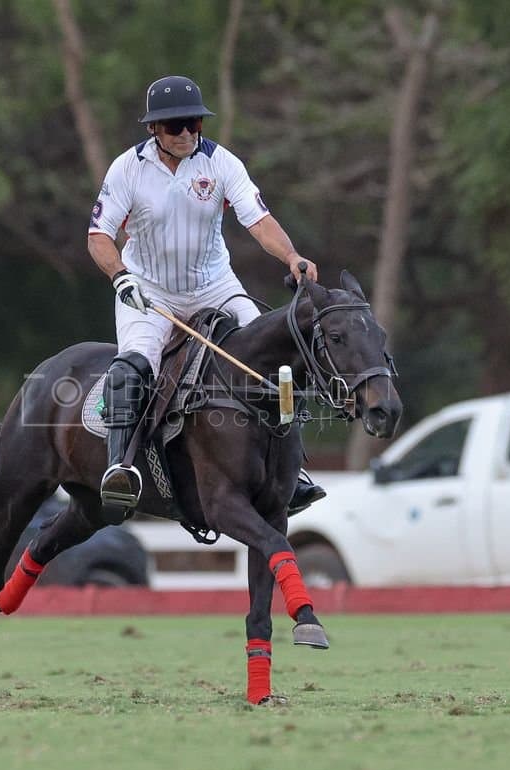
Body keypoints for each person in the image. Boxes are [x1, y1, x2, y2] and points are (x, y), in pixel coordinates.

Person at [87, 74, 326, 517]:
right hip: (148, 290)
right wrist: (120, 276)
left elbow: (259, 221)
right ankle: (119, 469)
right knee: (133, 368)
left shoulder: (221, 163)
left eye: (194, 123)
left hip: (214, 285)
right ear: (153, 129)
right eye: (175, 126)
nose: (186, 134)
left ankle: (291, 473)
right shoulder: (127, 169)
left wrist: (291, 256)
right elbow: (99, 235)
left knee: (275, 357)